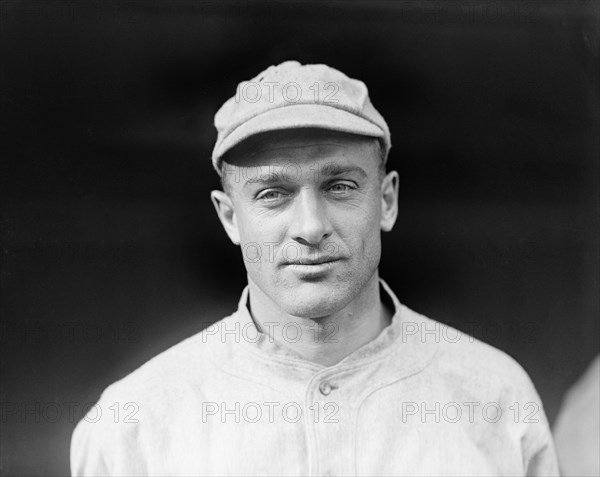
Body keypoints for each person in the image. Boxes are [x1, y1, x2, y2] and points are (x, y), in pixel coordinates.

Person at [71, 61, 559, 476]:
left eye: (340, 186)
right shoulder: (133, 425)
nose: (310, 226)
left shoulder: (494, 395)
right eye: (272, 194)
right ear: (229, 217)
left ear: (386, 201)